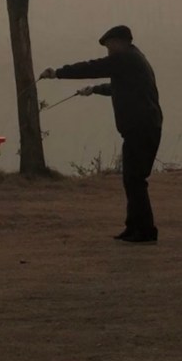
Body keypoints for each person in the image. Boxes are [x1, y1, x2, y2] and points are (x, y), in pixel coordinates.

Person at [40, 25, 163, 244]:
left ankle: (145, 231)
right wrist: (94, 90)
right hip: (142, 127)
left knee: (135, 180)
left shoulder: (125, 58)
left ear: (120, 42)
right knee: (131, 179)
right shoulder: (133, 60)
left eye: (109, 46)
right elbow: (119, 87)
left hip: (142, 128)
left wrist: (58, 73)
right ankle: (134, 227)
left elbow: (92, 67)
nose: (108, 51)